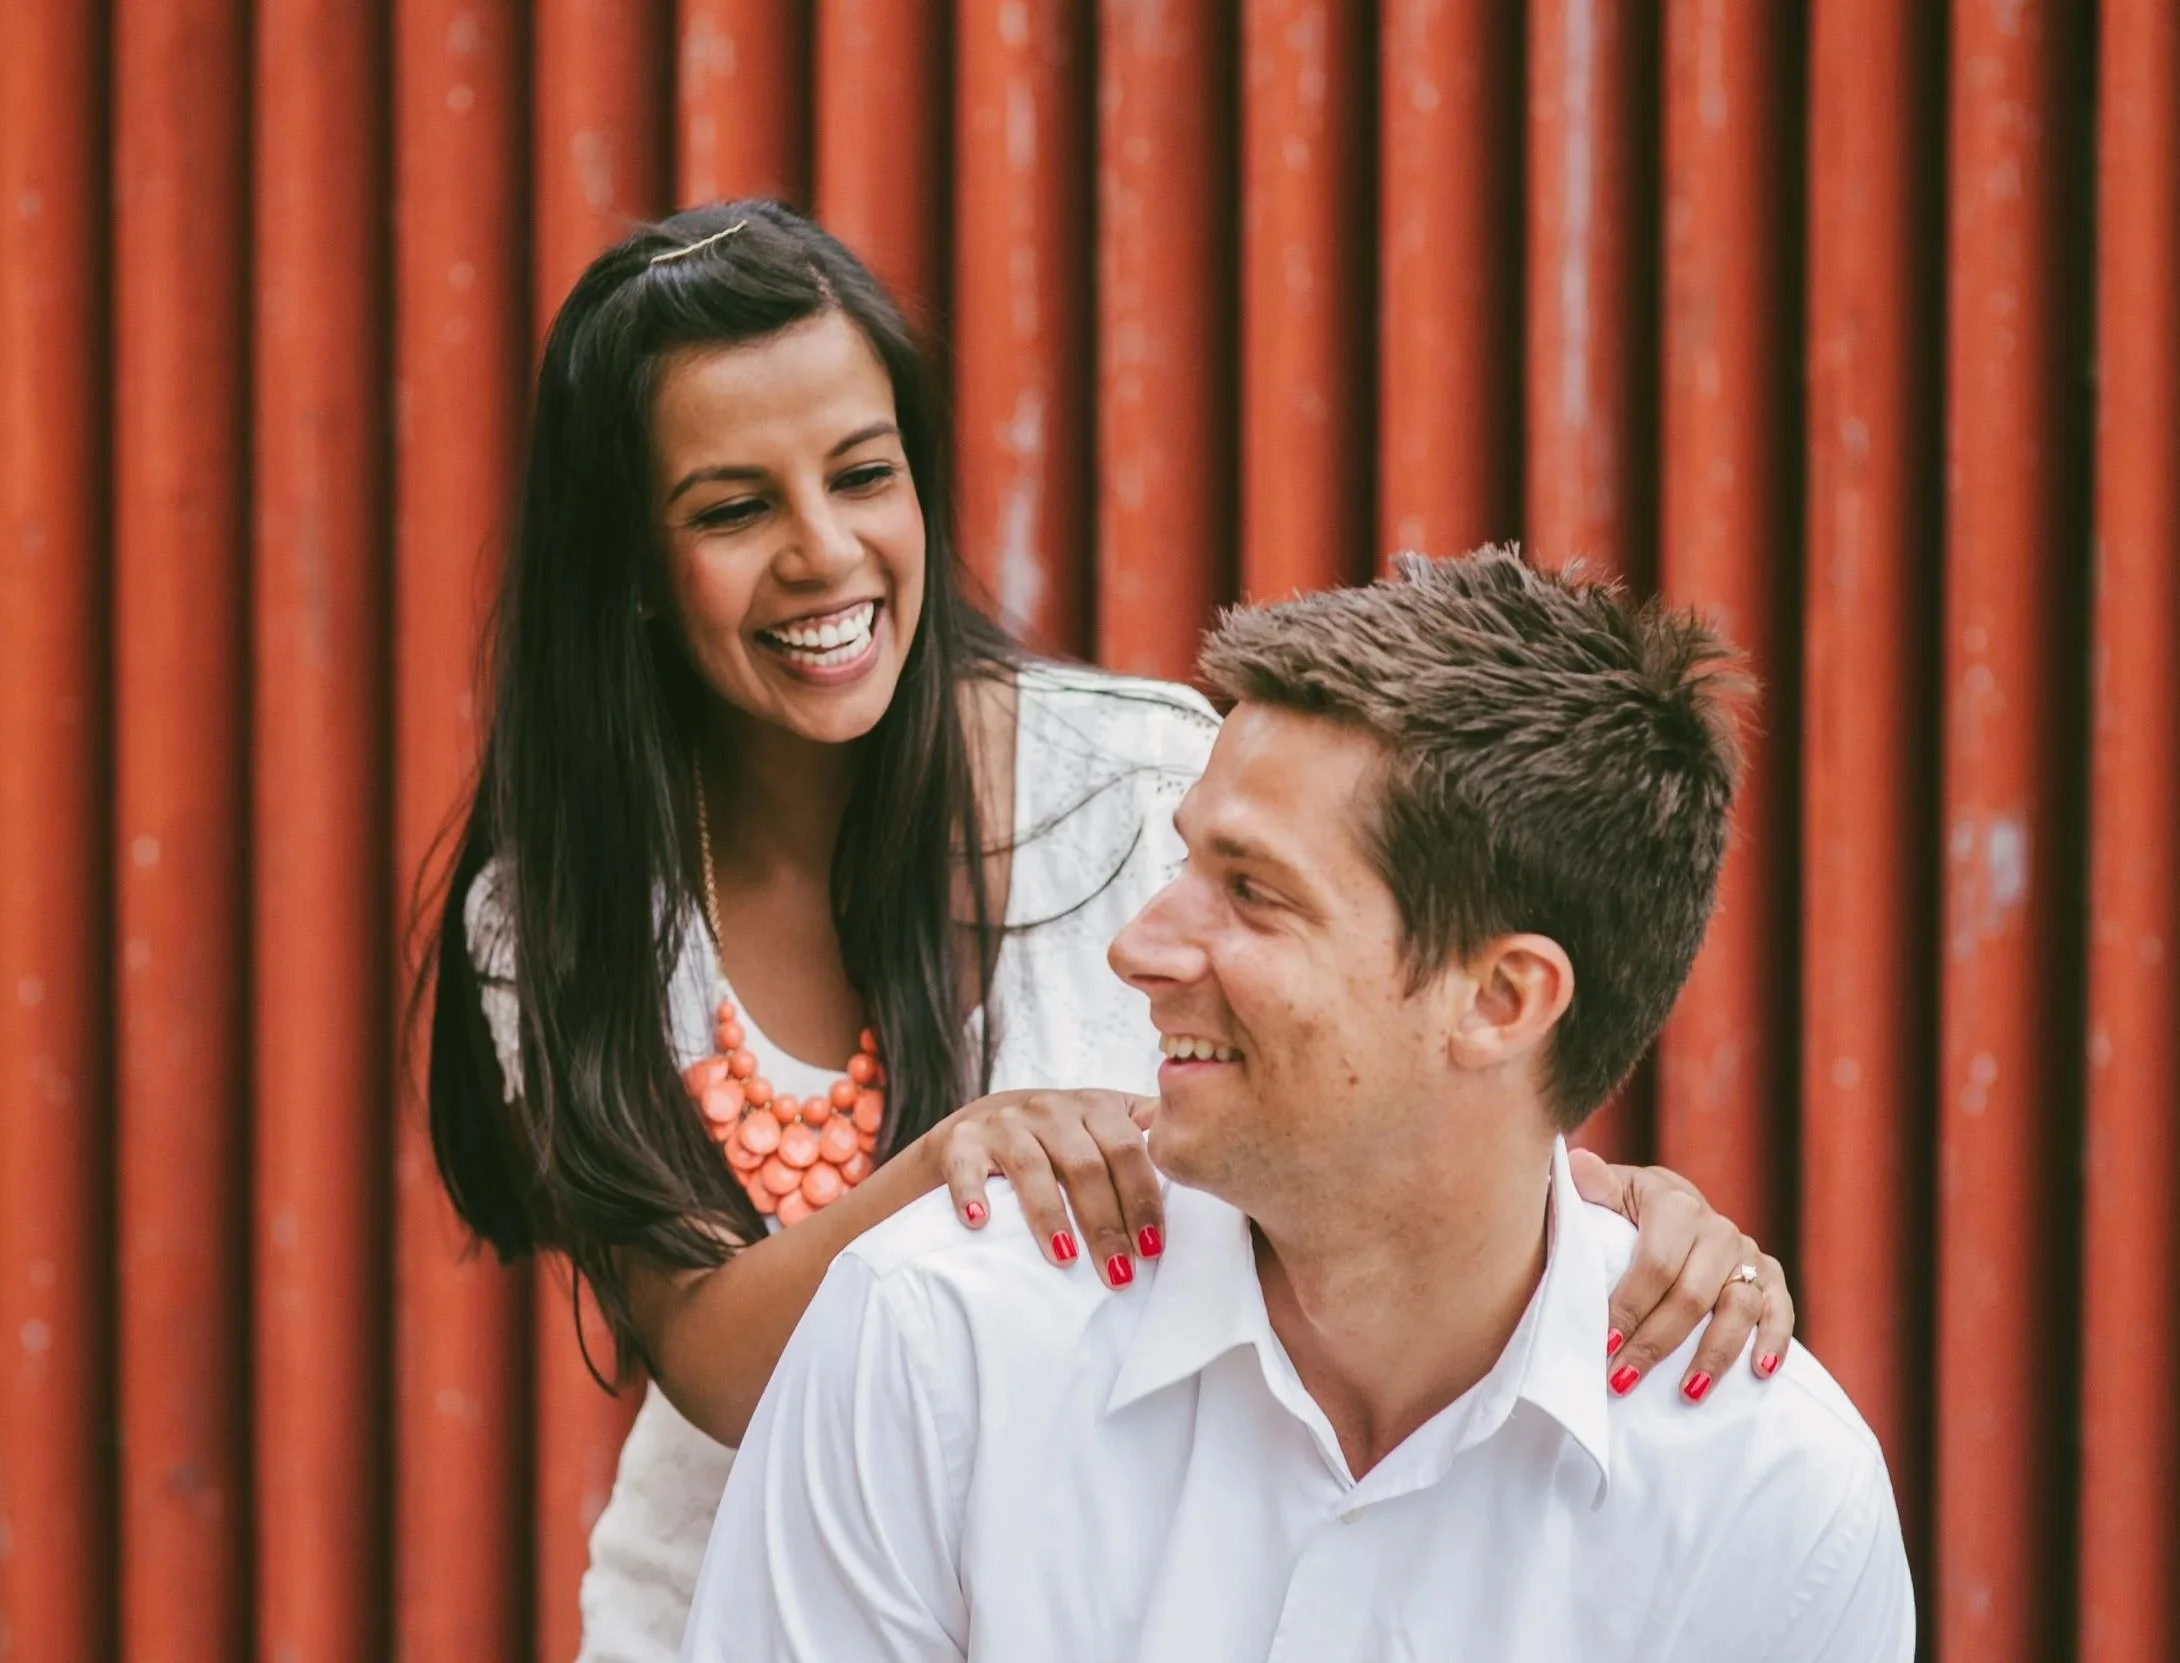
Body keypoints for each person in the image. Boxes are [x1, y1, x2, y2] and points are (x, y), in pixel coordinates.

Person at [420, 201, 1800, 1662]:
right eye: (732, 508)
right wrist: (954, 1162)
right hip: (722, 1612)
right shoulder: (565, 913)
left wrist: (1623, 1214)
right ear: (630, 564)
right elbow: (710, 1360)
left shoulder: (1141, 783)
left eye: (864, 475)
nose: (825, 552)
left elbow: (1380, 1076)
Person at [681, 550, 1911, 1662]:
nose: (1140, 949)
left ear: (1501, 997)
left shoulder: (1770, 1495)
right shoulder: (938, 1336)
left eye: (1254, 891)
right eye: (1187, 863)